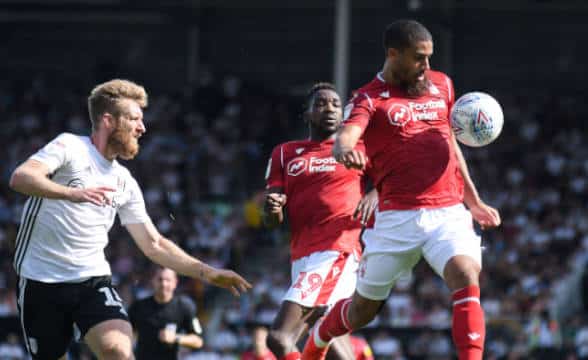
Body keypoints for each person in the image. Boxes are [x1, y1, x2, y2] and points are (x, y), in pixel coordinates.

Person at [8, 79, 251, 360]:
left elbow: (154, 244)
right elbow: (21, 178)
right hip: (41, 281)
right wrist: (71, 194)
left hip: (91, 280)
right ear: (109, 120)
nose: (142, 128)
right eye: (135, 119)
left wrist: (208, 272)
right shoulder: (70, 146)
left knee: (120, 351)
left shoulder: (124, 181)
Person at [301, 20, 501, 360]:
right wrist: (342, 150)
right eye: (418, 58)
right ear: (393, 54)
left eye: (429, 58)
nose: (427, 67)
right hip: (395, 221)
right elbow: (347, 136)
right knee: (362, 311)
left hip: (447, 212)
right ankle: (318, 339)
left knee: (466, 273)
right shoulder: (368, 99)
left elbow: (450, 143)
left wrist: (474, 200)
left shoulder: (442, 85)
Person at [264, 82, 378, 360]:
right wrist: (273, 207)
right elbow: (273, 220)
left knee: (279, 338)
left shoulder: (360, 147)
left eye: (335, 104)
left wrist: (375, 194)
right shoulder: (284, 153)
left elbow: (393, 179)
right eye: (321, 104)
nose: (329, 108)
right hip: (302, 255)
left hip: (336, 249)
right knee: (328, 338)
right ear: (307, 114)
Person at [128, 267, 203, 360]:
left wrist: (176, 338)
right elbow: (126, 334)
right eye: (160, 279)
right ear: (153, 281)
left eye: (168, 280)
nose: (163, 284)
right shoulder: (139, 306)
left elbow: (198, 341)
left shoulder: (184, 307)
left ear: (175, 282)